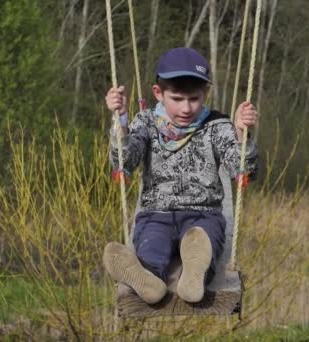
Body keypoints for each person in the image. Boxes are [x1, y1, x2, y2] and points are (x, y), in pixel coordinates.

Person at [103, 47, 258, 304]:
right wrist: (120, 123)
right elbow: (124, 162)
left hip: (203, 214)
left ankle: (194, 274)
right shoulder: (146, 122)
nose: (186, 108)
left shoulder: (217, 126)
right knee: (151, 251)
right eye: (176, 99)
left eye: (194, 99)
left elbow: (243, 170)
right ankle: (148, 281)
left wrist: (241, 134)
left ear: (205, 93)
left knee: (202, 240)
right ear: (158, 94)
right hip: (156, 215)